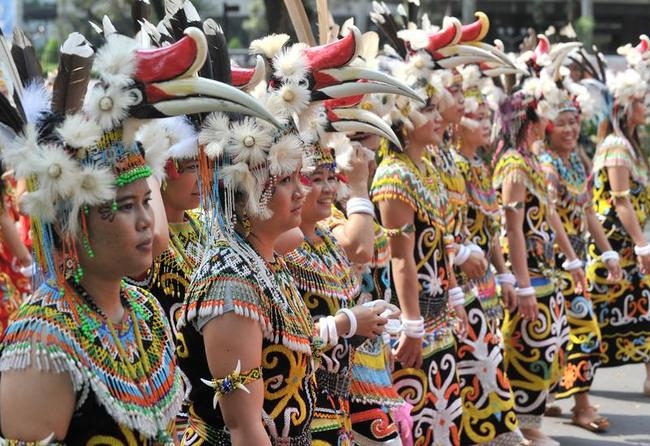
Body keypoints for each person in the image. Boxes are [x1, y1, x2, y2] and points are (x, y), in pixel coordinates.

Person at [0, 26, 274, 443]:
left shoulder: (145, 313)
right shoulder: (42, 341)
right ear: (73, 222)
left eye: (147, 202)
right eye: (126, 207)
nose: (147, 220)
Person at [283, 137, 397, 445]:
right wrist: (346, 322)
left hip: (338, 403)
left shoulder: (328, 241)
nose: (328, 188)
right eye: (315, 179)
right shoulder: (282, 250)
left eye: (331, 177)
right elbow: (283, 335)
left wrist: (367, 324)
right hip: (302, 408)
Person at [493, 72, 585, 446]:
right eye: (541, 118)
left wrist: (573, 261)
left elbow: (550, 216)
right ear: (529, 123)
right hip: (530, 275)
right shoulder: (514, 165)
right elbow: (513, 230)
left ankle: (531, 424)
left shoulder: (529, 160)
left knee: (551, 348)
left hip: (547, 273)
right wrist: (524, 285)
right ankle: (525, 428)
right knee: (529, 349)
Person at [539, 97, 622, 432]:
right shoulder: (546, 165)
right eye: (562, 123)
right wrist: (571, 259)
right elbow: (550, 214)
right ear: (547, 127)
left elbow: (588, 211)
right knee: (580, 334)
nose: (571, 129)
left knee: (567, 336)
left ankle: (549, 399)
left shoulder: (573, 162)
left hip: (575, 262)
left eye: (574, 122)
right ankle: (581, 407)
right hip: (553, 264)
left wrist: (607, 253)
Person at [452, 66, 524, 445]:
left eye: (486, 116)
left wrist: (505, 274)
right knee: (475, 370)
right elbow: (451, 232)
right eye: (474, 116)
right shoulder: (454, 167)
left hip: (486, 285)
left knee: (490, 361)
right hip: (461, 286)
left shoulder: (480, 165)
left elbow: (492, 228)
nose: (484, 123)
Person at [587, 68, 650, 396]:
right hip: (611, 248)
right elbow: (621, 200)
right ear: (624, 107)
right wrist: (642, 246)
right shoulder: (615, 146)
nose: (646, 104)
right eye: (640, 100)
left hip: (629, 245)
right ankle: (569, 384)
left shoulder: (631, 145)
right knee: (590, 317)